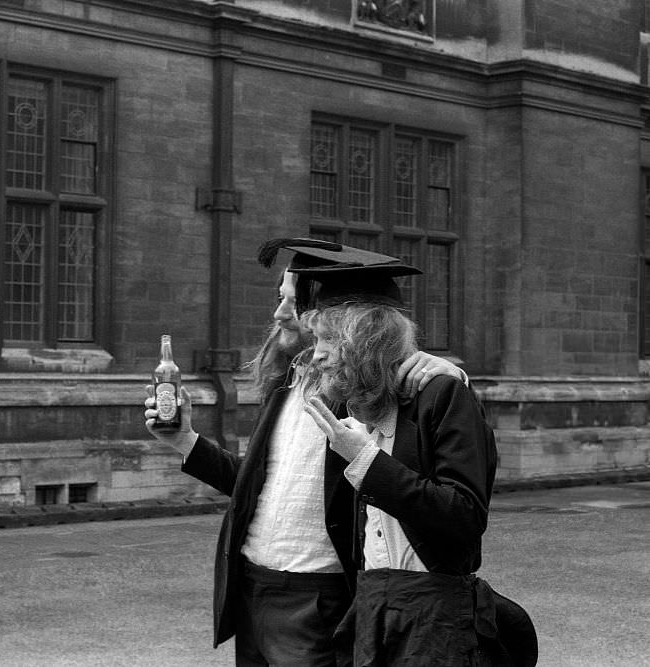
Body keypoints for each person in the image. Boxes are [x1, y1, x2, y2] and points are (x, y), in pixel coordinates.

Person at [143, 238, 467, 666]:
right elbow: (258, 487)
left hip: (321, 597)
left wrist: (450, 373)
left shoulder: (369, 388)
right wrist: (185, 440)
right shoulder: (287, 379)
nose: (279, 314)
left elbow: (431, 446)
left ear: (328, 318)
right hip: (253, 584)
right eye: (279, 299)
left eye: (292, 304)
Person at [296, 262, 536, 666]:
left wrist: (365, 462)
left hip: (435, 620)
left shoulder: (442, 395)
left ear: (366, 341)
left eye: (328, 340)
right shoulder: (354, 407)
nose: (316, 355)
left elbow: (463, 515)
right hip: (372, 609)